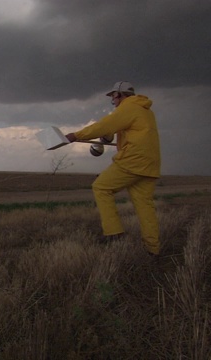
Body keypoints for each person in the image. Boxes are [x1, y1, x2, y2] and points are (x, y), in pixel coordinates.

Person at [65, 81, 161, 258]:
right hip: (150, 164)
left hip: (133, 161)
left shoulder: (128, 108)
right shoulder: (145, 110)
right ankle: (152, 249)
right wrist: (108, 137)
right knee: (144, 206)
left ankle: (114, 234)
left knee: (101, 187)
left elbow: (105, 125)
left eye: (113, 97)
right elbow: (118, 130)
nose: (113, 101)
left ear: (119, 95)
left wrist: (75, 136)